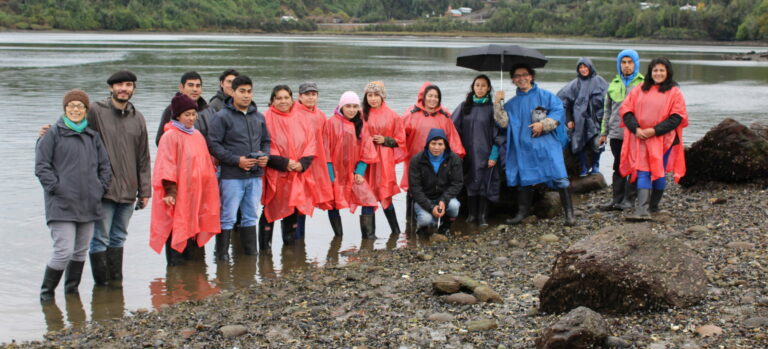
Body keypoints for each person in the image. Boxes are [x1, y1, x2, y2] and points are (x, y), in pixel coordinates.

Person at [35, 90, 111, 302]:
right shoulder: (52, 134)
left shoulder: (92, 136)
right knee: (63, 251)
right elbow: (42, 167)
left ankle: (72, 292)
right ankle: (47, 296)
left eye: (80, 106)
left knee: (79, 252)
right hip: (61, 205)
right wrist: (57, 189)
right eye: (72, 106)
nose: (76, 109)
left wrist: (99, 188)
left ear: (86, 111)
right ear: (65, 108)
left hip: (89, 203)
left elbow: (105, 166)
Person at [88, 70, 151, 287]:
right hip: (104, 189)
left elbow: (144, 157)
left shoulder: (138, 117)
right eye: (119, 85)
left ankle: (116, 284)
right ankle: (101, 287)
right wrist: (49, 133)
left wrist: (145, 191)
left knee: (119, 237)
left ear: (133, 89)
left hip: (129, 190)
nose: (124, 89)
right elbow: (75, 128)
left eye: (129, 85)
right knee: (100, 238)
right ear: (110, 88)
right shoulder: (96, 111)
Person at [495, 64, 575, 226]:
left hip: (547, 146)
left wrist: (543, 125)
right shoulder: (510, 104)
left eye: (524, 74)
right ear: (512, 80)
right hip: (524, 149)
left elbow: (558, 111)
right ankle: (522, 213)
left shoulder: (546, 96)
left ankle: (569, 214)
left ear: (531, 76)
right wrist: (497, 104)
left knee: (560, 177)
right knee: (525, 179)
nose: (521, 78)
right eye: (517, 76)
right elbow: (503, 123)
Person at [150, 94, 221, 266]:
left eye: (193, 114)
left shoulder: (197, 135)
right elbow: (165, 166)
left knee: (195, 226)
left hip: (196, 194)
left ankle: (193, 271)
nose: (191, 118)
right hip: (178, 195)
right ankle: (176, 272)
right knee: (177, 227)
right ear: (177, 116)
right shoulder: (170, 136)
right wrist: (170, 191)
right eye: (187, 114)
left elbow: (205, 164)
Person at [207, 75, 270, 258]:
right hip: (231, 176)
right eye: (241, 91)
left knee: (251, 215)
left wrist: (264, 155)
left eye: (249, 91)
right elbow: (214, 145)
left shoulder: (258, 117)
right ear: (232, 92)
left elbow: (266, 141)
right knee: (228, 217)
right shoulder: (222, 117)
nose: (246, 95)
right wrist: (236, 160)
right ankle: (222, 258)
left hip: (255, 175)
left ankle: (250, 254)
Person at [620, 57, 688, 221]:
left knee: (659, 171)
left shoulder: (675, 93)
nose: (658, 73)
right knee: (643, 170)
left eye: (661, 70)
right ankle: (642, 209)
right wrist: (636, 129)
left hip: (664, 139)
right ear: (650, 72)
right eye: (655, 70)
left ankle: (654, 206)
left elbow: (677, 117)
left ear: (668, 72)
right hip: (641, 138)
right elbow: (626, 110)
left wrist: (654, 131)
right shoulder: (639, 89)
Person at [259, 85, 319, 249]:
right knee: (269, 209)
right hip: (275, 172)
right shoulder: (265, 118)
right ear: (272, 100)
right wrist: (285, 163)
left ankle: (289, 249)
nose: (283, 101)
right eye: (279, 98)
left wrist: (302, 164)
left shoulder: (301, 118)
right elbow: (264, 146)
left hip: (297, 172)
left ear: (292, 99)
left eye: (286, 97)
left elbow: (311, 143)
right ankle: (265, 252)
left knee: (292, 207)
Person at [451, 74, 506, 227]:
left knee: (484, 183)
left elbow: (499, 133)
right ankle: (471, 214)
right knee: (470, 182)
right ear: (473, 87)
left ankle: (482, 216)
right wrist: (456, 152)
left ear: (488, 88)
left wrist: (494, 154)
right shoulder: (464, 106)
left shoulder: (492, 108)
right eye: (477, 85)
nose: (480, 88)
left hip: (486, 153)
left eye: (483, 85)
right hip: (467, 154)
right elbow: (453, 129)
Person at [323, 91, 379, 239]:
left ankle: (368, 238)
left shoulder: (361, 124)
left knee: (368, 199)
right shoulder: (330, 123)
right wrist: (330, 175)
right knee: (334, 203)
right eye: (348, 106)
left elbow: (367, 149)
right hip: (335, 173)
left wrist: (360, 171)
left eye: (355, 106)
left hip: (354, 173)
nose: (352, 110)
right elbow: (325, 150)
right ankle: (338, 237)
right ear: (341, 106)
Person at [600, 50, 644, 211]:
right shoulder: (614, 84)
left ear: (636, 64)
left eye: (630, 62)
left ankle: (629, 199)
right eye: (623, 62)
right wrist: (603, 133)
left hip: (635, 134)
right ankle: (615, 199)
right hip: (616, 134)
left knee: (633, 165)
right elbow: (607, 111)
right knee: (618, 165)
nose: (626, 65)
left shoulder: (643, 84)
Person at [400, 82, 465, 191]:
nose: (433, 99)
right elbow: (398, 135)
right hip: (415, 161)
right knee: (414, 192)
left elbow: (453, 139)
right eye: (430, 96)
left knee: (436, 193)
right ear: (423, 97)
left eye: (436, 96)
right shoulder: (411, 114)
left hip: (438, 162)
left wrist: (457, 158)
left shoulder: (444, 116)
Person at [361, 81, 406, 236]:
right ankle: (368, 237)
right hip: (366, 161)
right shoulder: (361, 115)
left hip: (384, 161)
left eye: (376, 95)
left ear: (382, 96)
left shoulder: (393, 115)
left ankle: (396, 232)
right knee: (366, 194)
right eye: (370, 95)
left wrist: (386, 140)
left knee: (385, 194)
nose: (373, 99)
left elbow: (401, 139)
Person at [294, 82, 335, 237]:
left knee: (306, 202)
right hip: (298, 165)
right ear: (300, 96)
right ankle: (294, 244)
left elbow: (325, 143)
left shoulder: (321, 115)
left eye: (313, 94)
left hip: (314, 165)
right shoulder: (293, 112)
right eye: (307, 94)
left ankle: (300, 242)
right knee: (296, 202)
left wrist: (328, 168)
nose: (311, 98)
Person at [557, 58, 608, 177]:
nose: (583, 69)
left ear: (590, 67)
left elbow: (609, 101)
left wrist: (604, 118)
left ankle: (596, 165)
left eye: (585, 67)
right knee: (579, 145)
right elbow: (563, 103)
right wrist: (568, 119)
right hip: (578, 122)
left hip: (596, 121)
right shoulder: (573, 85)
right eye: (581, 67)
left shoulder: (600, 81)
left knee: (597, 143)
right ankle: (584, 167)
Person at [408, 128, 463, 236]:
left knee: (455, 206)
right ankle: (422, 228)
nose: (436, 147)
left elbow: (457, 183)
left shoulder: (454, 159)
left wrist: (444, 200)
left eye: (440, 144)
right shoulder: (416, 160)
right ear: (428, 144)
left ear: (445, 145)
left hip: (444, 197)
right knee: (426, 220)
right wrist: (431, 207)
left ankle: (445, 226)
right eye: (433, 143)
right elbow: (415, 188)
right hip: (424, 198)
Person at [155, 71, 216, 145]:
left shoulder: (209, 110)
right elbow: (160, 141)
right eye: (190, 85)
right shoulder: (171, 110)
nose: (195, 89)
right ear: (181, 87)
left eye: (198, 86)